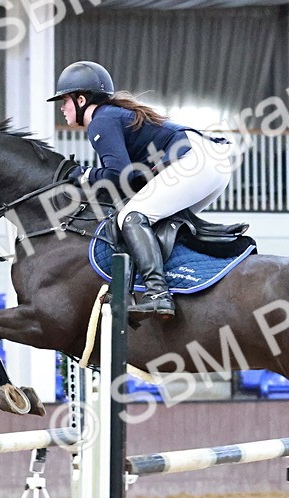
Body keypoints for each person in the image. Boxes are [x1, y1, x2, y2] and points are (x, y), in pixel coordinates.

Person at [48, 60, 233, 319]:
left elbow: (116, 174)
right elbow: (132, 180)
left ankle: (158, 294)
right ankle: (176, 281)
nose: (62, 108)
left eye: (64, 101)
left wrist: (85, 175)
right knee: (154, 220)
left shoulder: (101, 121)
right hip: (212, 164)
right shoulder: (113, 116)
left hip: (193, 160)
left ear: (81, 100)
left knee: (130, 217)